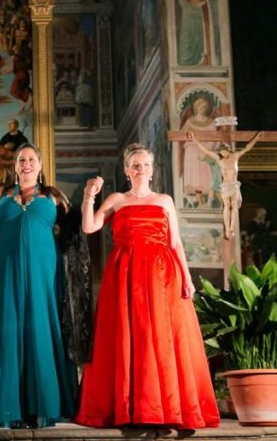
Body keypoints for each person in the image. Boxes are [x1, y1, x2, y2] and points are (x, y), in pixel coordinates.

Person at [75, 143, 220, 429]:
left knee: (163, 337)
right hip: (125, 273)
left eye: (146, 165)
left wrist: (187, 277)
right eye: (136, 165)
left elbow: (175, 242)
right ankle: (133, 408)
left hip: (162, 274)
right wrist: (89, 197)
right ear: (127, 170)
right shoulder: (117, 199)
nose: (142, 169)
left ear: (152, 171)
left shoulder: (165, 200)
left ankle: (166, 408)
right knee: (131, 335)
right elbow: (89, 227)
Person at [0, 143, 91, 429]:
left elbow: (74, 233)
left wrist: (89, 199)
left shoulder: (54, 196)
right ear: (15, 166)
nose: (26, 163)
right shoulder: (0, 195)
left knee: (42, 330)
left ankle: (45, 407)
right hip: (8, 273)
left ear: (40, 165)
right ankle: (13, 409)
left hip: (45, 276)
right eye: (21, 159)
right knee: (10, 332)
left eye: (31, 159)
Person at [188, 131, 264, 239]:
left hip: (234, 184)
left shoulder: (235, 156)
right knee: (227, 205)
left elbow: (247, 148)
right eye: (221, 152)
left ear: (228, 150)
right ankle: (227, 229)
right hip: (225, 185)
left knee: (234, 205)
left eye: (224, 152)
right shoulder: (219, 159)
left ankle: (231, 228)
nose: (223, 154)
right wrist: (194, 139)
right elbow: (206, 151)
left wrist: (256, 138)